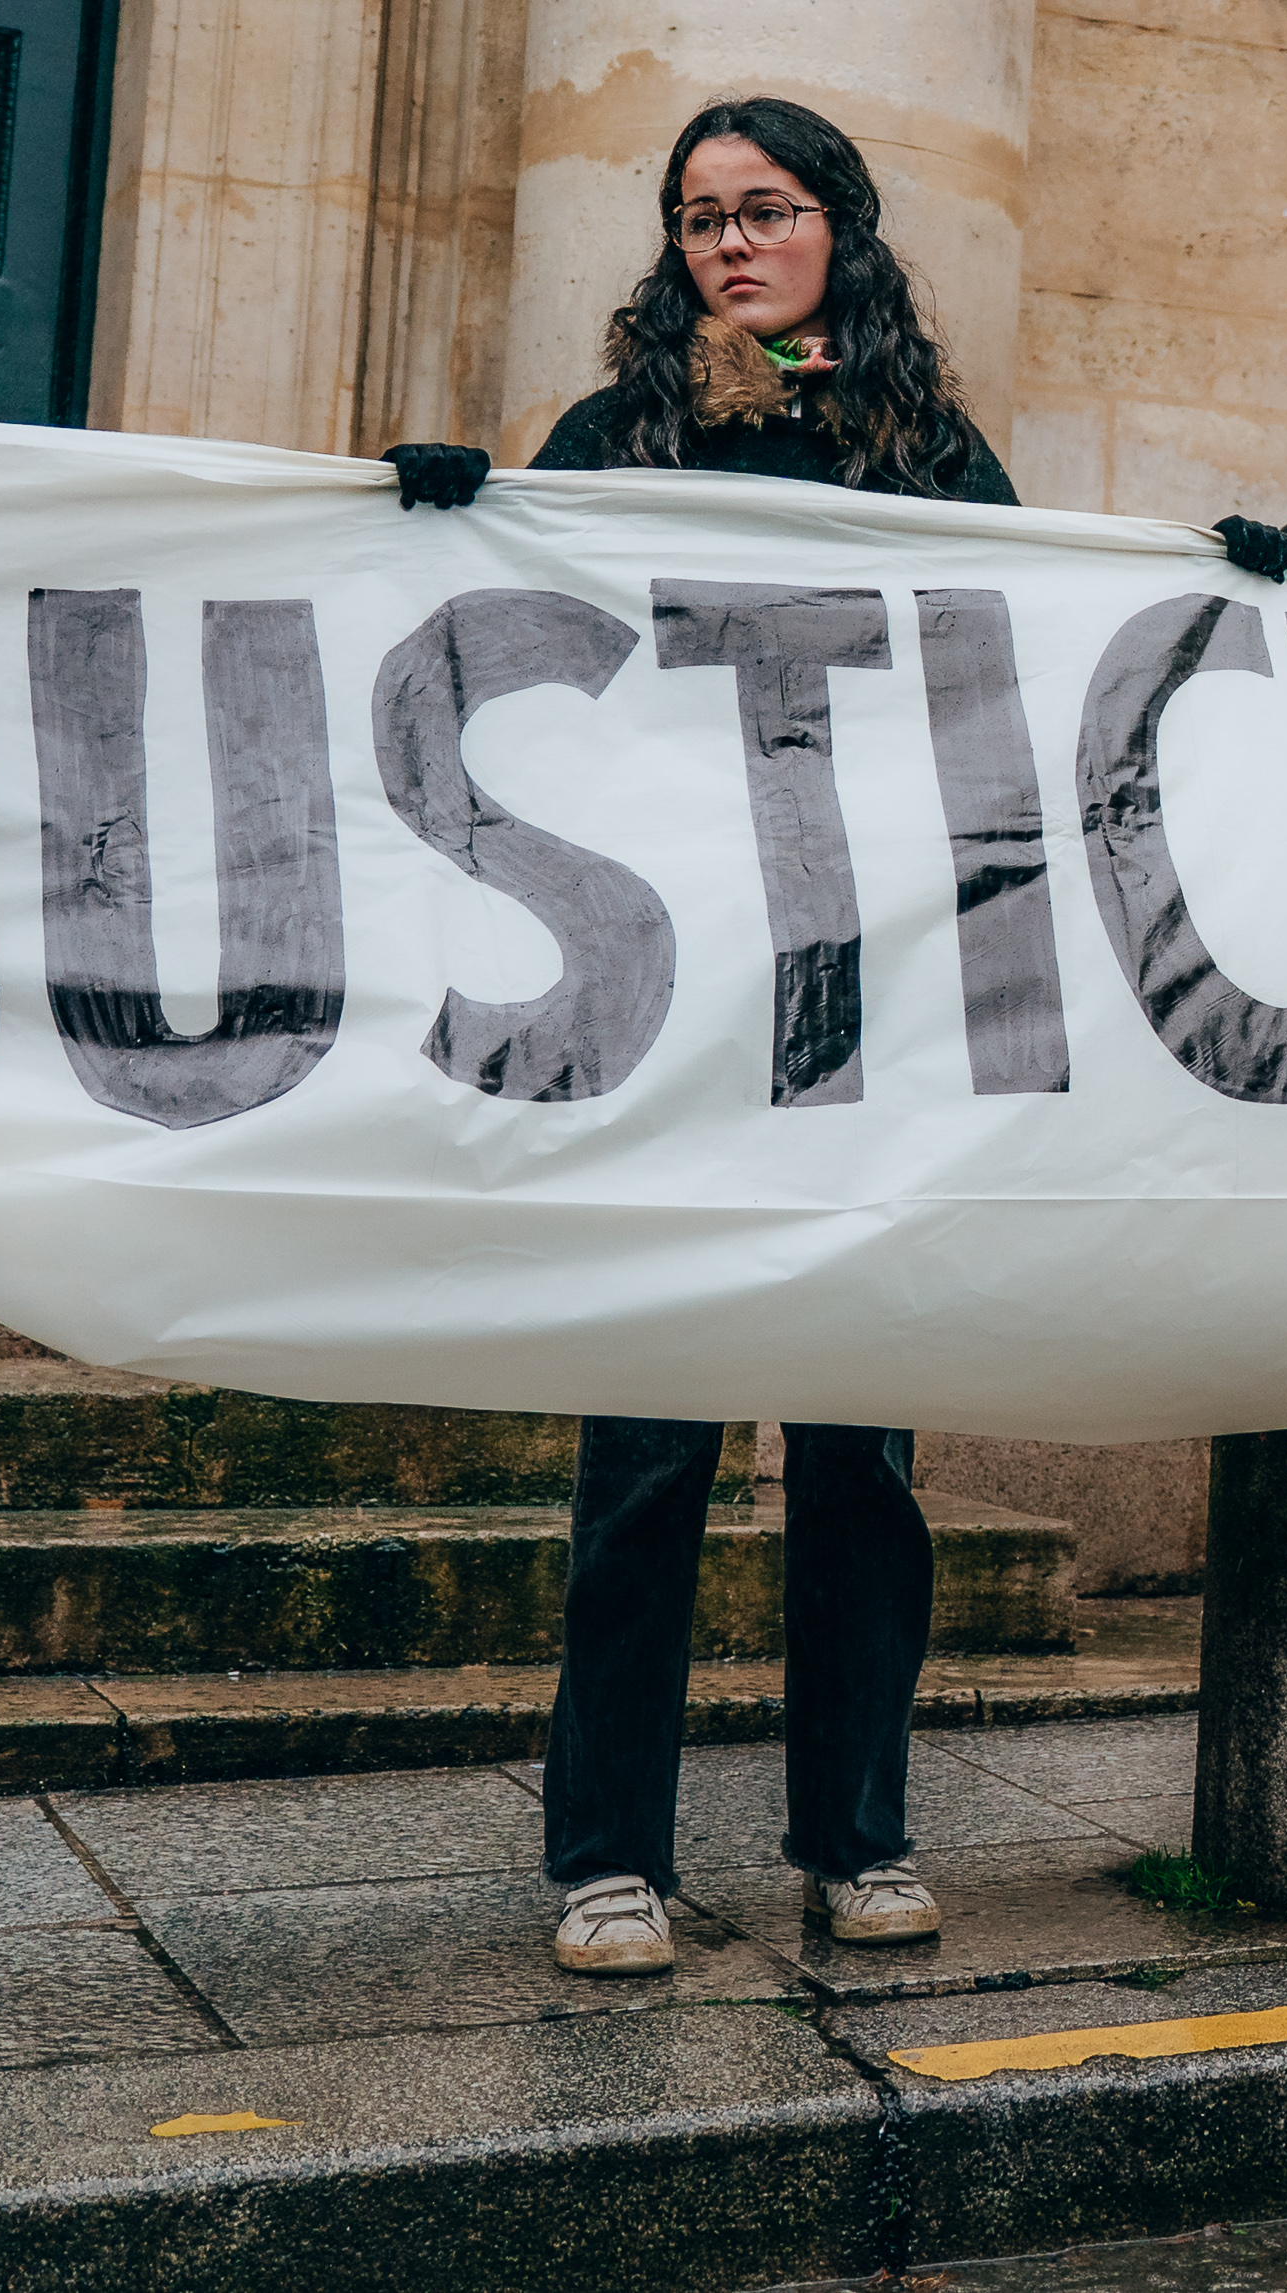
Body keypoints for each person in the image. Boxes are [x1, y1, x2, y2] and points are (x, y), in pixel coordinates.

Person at [453, 96, 1019, 1975]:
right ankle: (607, 1851)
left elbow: (1036, 645)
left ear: (840, 226)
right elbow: (501, 628)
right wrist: (432, 520)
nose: (727, 245)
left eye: (763, 211)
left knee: (860, 1464)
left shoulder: (928, 447)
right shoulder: (614, 437)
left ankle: (855, 1834)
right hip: (672, 1011)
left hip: (854, 1011)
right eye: (698, 217)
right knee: (647, 1463)